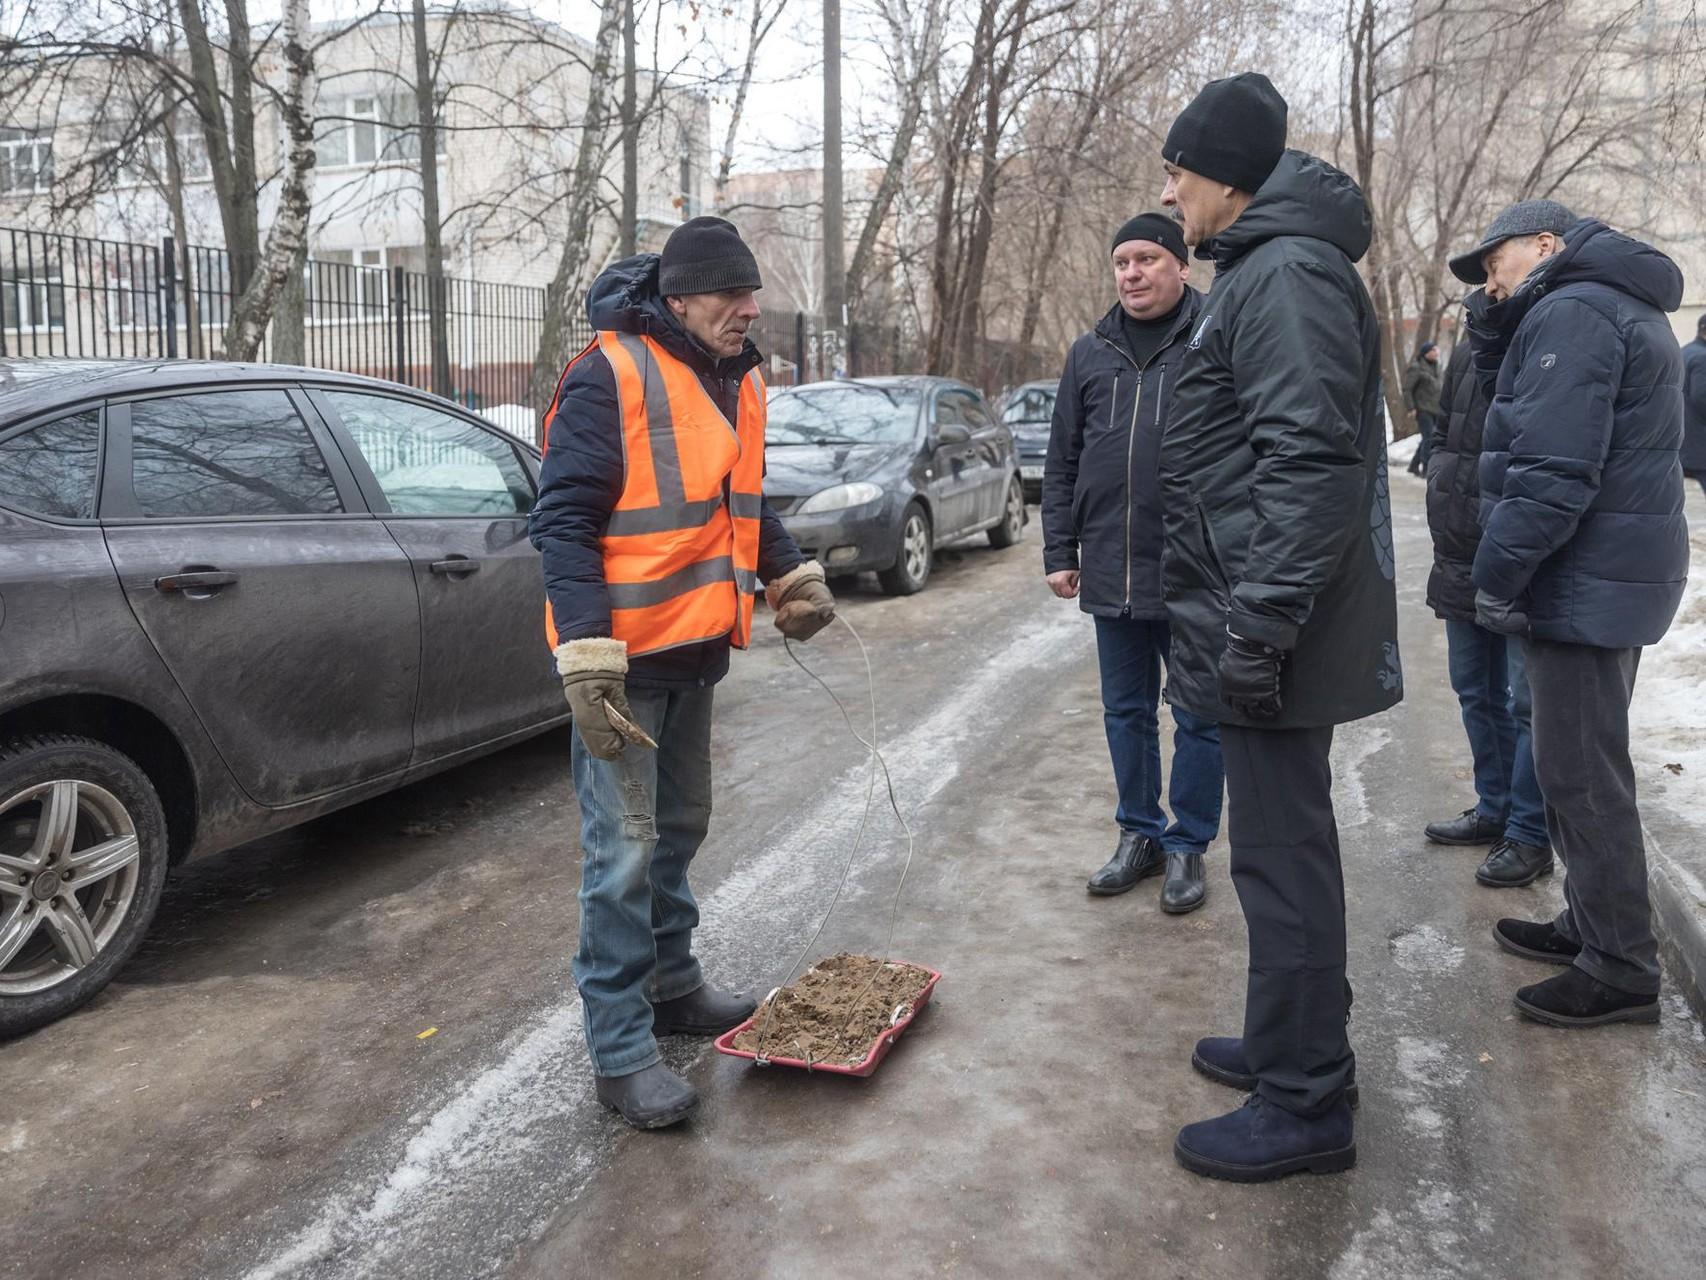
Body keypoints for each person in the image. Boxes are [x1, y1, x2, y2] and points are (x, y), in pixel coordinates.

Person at [530, 216, 837, 1128]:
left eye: (751, 294)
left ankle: (671, 986)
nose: (750, 309)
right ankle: (620, 1051)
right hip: (622, 669)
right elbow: (564, 524)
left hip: (695, 651)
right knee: (620, 852)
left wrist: (788, 569)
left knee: (678, 828)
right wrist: (586, 656)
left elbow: (735, 500)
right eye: (732, 294)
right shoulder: (608, 375)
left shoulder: (732, 377)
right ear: (680, 298)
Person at [1157, 72, 1401, 1182]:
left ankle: (1306, 1100)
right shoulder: (1265, 268)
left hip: (1274, 625)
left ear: (1225, 178)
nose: (1167, 193)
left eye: (1178, 172)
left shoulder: (1286, 275)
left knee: (1280, 857)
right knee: (1271, 849)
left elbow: (1306, 467)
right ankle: (1286, 1046)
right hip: (1254, 612)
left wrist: (1256, 625)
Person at [1451, 200, 1688, 1028]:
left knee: (1583, 778)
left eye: (1496, 261)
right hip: (1606, 575)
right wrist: (1495, 325)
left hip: (1586, 578)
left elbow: (1552, 472)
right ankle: (1592, 926)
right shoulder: (1602, 302)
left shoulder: (1578, 310)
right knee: (1576, 767)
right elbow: (1520, 411)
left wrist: (1496, 576)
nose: (1490, 279)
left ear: (1546, 245)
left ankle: (1620, 968)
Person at [1041, 212, 1225, 914]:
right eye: (1122, 262)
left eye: (1147, 258)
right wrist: (1061, 550)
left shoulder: (1214, 338)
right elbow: (1062, 461)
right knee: (1126, 712)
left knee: (1200, 715)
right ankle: (1138, 835)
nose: (1133, 273)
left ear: (1182, 266)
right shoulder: (1090, 353)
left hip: (1194, 569)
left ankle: (1187, 845)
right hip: (1111, 567)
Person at [1422, 334, 1552, 887]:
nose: (1489, 279)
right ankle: (1494, 805)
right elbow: (1448, 437)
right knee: (1473, 687)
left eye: (1496, 264)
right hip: (1461, 547)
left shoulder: (1552, 327)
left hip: (1523, 552)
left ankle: (1530, 833)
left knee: (1529, 703)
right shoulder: (1472, 335)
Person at [1403, 341, 1443, 475]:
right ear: (1426, 353)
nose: (1436, 353)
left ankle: (1413, 465)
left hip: (1436, 409)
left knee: (1428, 438)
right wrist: (1411, 408)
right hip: (1422, 409)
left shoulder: (1438, 367)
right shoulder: (1417, 367)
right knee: (1429, 437)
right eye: (1433, 350)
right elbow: (1407, 389)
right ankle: (1426, 468)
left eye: (1436, 350)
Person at [1682, 314, 1706, 496]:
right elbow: (1702, 397)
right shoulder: (1702, 357)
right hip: (1700, 443)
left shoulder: (1685, 351)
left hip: (1684, 438)